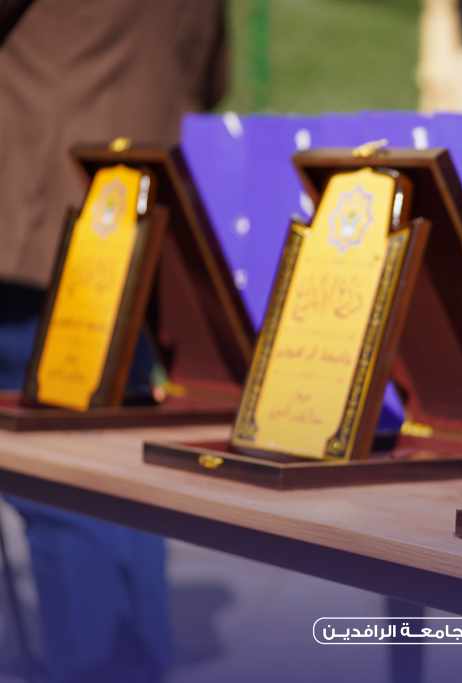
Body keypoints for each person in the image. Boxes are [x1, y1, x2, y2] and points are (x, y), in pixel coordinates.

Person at [0, 2, 228, 680]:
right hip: (143, 216)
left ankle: (98, 666)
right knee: (119, 474)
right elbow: (211, 72)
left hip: (39, 219)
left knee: (59, 480)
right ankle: (131, 663)